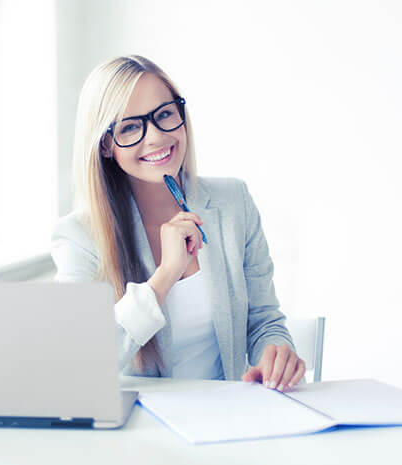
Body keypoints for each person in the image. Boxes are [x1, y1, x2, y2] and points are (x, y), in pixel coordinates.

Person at [50, 55, 306, 391]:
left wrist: (275, 354)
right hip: (141, 433)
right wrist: (165, 275)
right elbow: (77, 362)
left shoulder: (233, 202)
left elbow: (263, 321)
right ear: (106, 145)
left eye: (164, 114)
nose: (156, 137)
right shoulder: (79, 238)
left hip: (231, 421)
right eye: (129, 126)